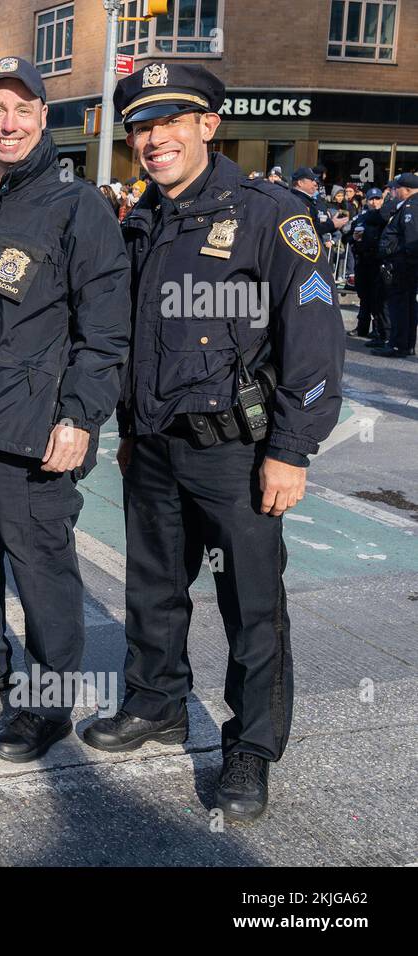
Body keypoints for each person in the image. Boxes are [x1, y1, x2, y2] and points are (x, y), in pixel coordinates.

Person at [86, 64, 345, 823]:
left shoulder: (270, 213)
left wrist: (292, 449)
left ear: (208, 126)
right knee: (153, 590)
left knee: (251, 606)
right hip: (158, 448)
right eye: (142, 126)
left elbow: (315, 338)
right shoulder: (143, 219)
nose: (155, 138)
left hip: (238, 453)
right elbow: (139, 342)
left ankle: (251, 750)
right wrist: (132, 430)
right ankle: (156, 702)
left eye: (172, 121)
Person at [0, 56, 130, 762]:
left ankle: (46, 703)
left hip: (35, 429)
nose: (7, 124)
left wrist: (80, 417)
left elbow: (105, 332)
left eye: (22, 110)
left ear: (44, 118)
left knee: (41, 567)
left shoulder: (78, 209)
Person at [376, 171, 418, 358]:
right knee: (406, 305)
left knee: (400, 306)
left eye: (397, 188)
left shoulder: (411, 206)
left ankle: (398, 344)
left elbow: (412, 239)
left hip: (403, 266)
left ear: (407, 190)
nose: (394, 190)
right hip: (404, 265)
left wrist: (405, 263)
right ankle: (404, 343)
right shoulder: (408, 205)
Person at [349, 187, 388, 341]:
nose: (374, 202)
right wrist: (355, 239)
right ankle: (362, 327)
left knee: (377, 297)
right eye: (371, 199)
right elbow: (352, 236)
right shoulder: (361, 217)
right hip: (363, 260)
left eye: (377, 199)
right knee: (364, 295)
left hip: (377, 262)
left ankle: (378, 329)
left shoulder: (385, 217)